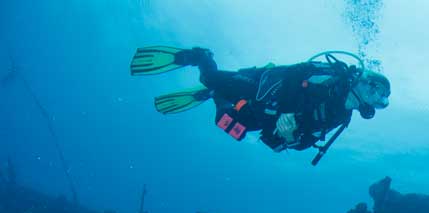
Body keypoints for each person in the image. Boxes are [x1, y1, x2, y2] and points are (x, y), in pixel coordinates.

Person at [130, 47, 390, 165]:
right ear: (364, 79)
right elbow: (294, 73)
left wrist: (289, 137)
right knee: (208, 76)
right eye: (375, 86)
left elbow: (307, 143)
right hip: (258, 85)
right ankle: (202, 56)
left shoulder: (341, 116)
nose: (375, 95)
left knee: (229, 126)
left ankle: (215, 96)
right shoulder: (335, 75)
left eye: (381, 97)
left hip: (266, 117)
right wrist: (287, 110)